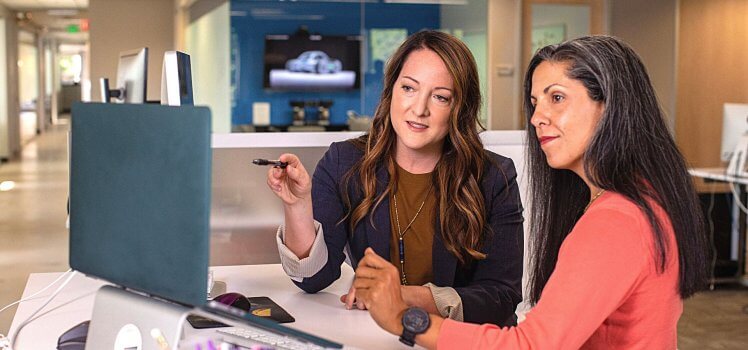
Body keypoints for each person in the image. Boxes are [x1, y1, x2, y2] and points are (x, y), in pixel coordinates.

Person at [352, 35, 712, 349]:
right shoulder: (644, 200)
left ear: (610, 107)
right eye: (536, 102)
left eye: (557, 98)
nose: (537, 117)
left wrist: (405, 320)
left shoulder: (616, 221)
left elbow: (533, 345)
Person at [265, 30, 524, 326]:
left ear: (459, 108)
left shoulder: (493, 176)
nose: (419, 109)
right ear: (391, 91)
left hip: (460, 340)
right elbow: (313, 278)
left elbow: (501, 297)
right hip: (376, 337)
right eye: (409, 88)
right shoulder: (344, 162)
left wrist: (402, 296)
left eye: (440, 97)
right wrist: (298, 205)